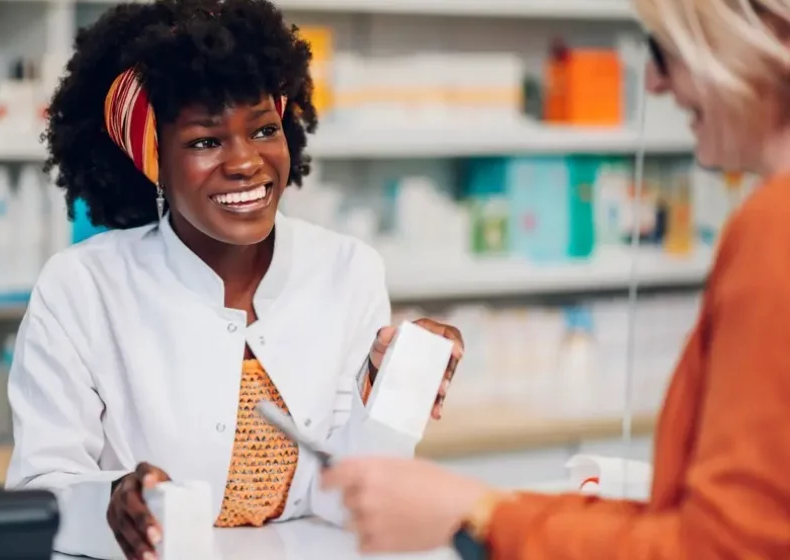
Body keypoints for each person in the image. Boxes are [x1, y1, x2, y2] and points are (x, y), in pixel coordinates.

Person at [321, 1, 790, 558]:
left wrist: (476, 511)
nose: (656, 83)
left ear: (752, 38)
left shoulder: (774, 225)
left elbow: (723, 546)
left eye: (665, 52)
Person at [3, 1, 464, 560]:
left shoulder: (348, 269)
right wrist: (110, 501)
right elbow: (39, 490)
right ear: (153, 160)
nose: (246, 161)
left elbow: (349, 496)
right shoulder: (82, 287)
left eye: (264, 129)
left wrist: (390, 387)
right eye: (205, 141)